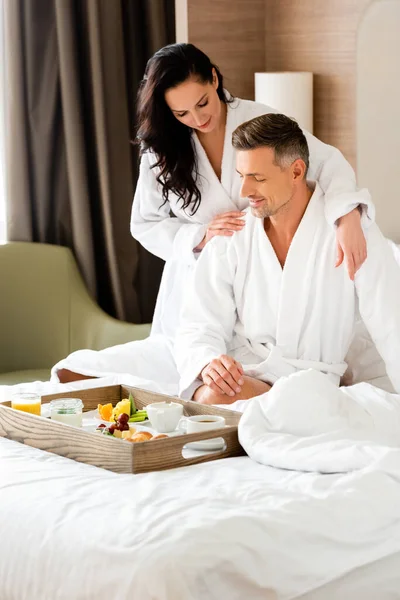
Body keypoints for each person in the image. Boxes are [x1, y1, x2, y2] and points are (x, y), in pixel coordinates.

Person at [53, 43, 373, 386]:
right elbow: (144, 224)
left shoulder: (259, 123)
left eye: (202, 102)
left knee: (219, 380)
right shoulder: (163, 149)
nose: (197, 118)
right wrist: (200, 235)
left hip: (256, 288)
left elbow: (329, 163)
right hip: (198, 283)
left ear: (215, 79)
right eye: (182, 114)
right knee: (146, 369)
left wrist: (348, 216)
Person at [175, 113, 400, 404]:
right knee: (210, 395)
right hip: (245, 372)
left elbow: (391, 322)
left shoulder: (352, 235)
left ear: (296, 172)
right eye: (241, 176)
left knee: (213, 401)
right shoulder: (233, 238)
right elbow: (198, 322)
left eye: (258, 178)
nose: (244, 192)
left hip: (312, 383)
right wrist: (208, 363)